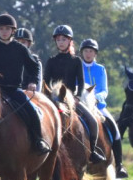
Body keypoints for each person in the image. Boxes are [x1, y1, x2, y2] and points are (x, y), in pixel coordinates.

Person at [0, 13, 50, 155]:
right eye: (1, 29)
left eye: (7, 29)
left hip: (14, 90)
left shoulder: (20, 48)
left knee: (31, 111)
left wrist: (32, 81)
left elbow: (34, 66)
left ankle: (38, 140)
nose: (4, 32)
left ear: (13, 31)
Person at [43, 25, 106, 163]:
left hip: (71, 99)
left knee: (92, 121)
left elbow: (81, 82)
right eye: (58, 40)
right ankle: (40, 147)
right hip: (54, 100)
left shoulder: (76, 60)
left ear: (70, 41)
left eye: (64, 39)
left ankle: (93, 151)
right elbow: (46, 83)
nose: (60, 42)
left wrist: (77, 97)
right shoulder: (51, 61)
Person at [79, 38, 127, 177]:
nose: (88, 54)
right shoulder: (77, 66)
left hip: (98, 106)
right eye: (86, 51)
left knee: (115, 130)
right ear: (82, 53)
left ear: (95, 54)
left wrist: (95, 98)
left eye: (91, 51)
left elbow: (104, 90)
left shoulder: (100, 69)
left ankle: (119, 165)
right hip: (81, 105)